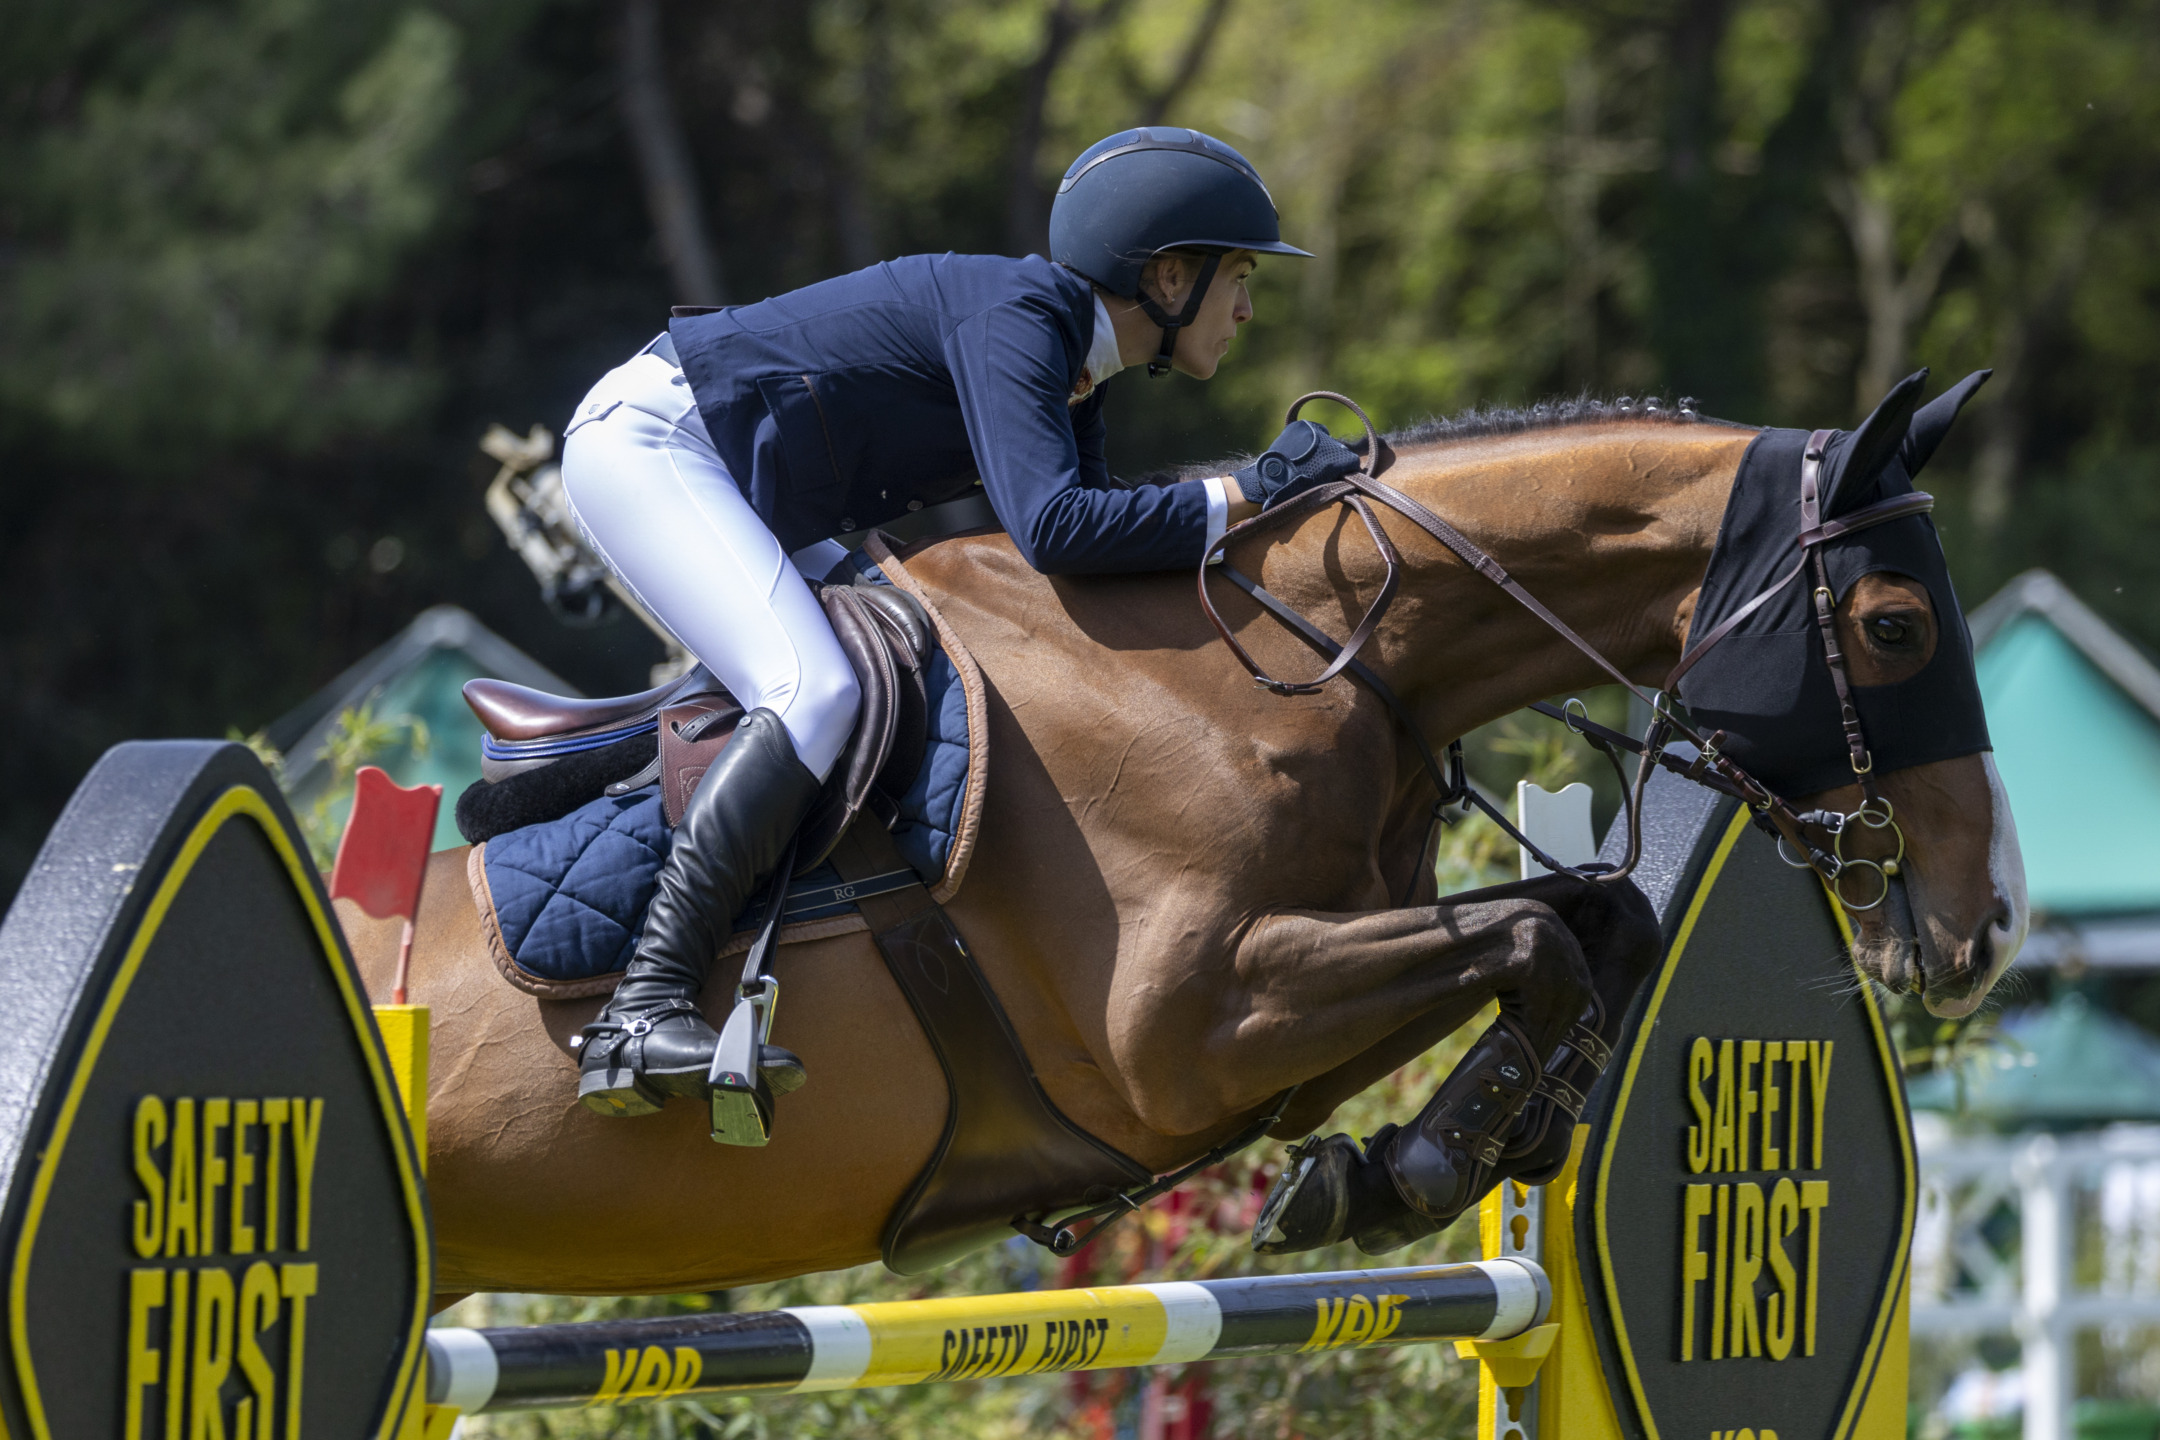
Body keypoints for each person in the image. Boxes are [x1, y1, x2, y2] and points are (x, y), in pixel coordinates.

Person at [559, 126, 1365, 1127]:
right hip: (659, 442)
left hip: (745, 480)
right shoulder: (1023, 316)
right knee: (817, 690)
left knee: (903, 661)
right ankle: (640, 1011)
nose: (1247, 305)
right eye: (1238, 276)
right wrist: (1245, 491)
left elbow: (1096, 547)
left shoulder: (1076, 361)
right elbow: (1059, 530)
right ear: (1166, 277)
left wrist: (1256, 509)